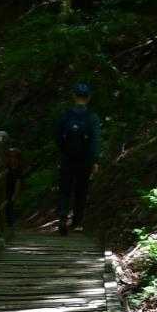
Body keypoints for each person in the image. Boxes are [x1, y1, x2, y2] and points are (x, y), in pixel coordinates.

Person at [54, 82, 101, 235]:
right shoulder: (92, 117)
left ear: (74, 96)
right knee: (81, 190)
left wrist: (63, 153)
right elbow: (95, 141)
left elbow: (58, 137)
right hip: (85, 159)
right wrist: (95, 161)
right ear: (89, 97)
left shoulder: (66, 115)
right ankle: (77, 222)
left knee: (65, 188)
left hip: (67, 157)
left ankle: (62, 217)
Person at [0, 130, 28, 227]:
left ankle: (10, 224)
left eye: (4, 139)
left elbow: (18, 177)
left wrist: (16, 193)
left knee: (10, 203)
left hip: (11, 184)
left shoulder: (13, 153)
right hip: (4, 184)